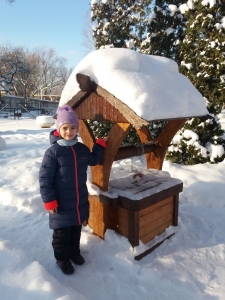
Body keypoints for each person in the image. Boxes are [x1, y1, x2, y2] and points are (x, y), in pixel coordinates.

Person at [39, 104, 108, 275]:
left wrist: (99, 145)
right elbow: (45, 179)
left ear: (76, 129)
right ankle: (62, 258)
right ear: (58, 129)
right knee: (62, 234)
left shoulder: (81, 149)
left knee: (75, 231)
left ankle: (74, 252)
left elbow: (93, 160)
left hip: (78, 202)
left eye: (72, 128)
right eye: (65, 128)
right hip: (61, 204)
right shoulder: (53, 152)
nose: (69, 131)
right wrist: (49, 201)